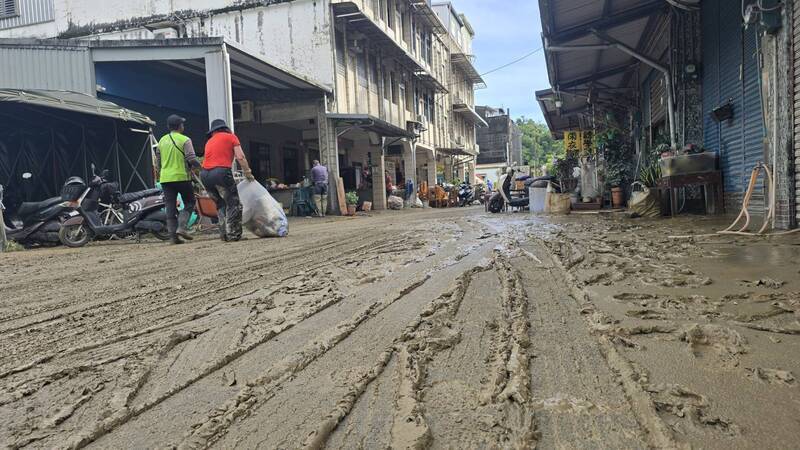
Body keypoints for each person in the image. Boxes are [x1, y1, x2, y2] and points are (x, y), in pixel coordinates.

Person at [200, 119, 254, 242]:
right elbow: (240, 157)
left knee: (220, 204)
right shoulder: (231, 137)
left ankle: (224, 234)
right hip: (220, 173)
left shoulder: (209, 141)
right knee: (233, 203)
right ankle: (234, 234)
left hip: (205, 175)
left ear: (213, 131)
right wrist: (248, 173)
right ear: (225, 128)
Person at [156, 114, 200, 245]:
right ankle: (182, 227)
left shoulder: (162, 141)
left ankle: (173, 237)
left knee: (170, 206)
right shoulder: (185, 140)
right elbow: (191, 158)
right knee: (190, 202)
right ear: (180, 126)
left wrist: (162, 172)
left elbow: (158, 162)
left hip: (165, 178)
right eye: (182, 124)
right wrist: (201, 167)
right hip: (181, 176)